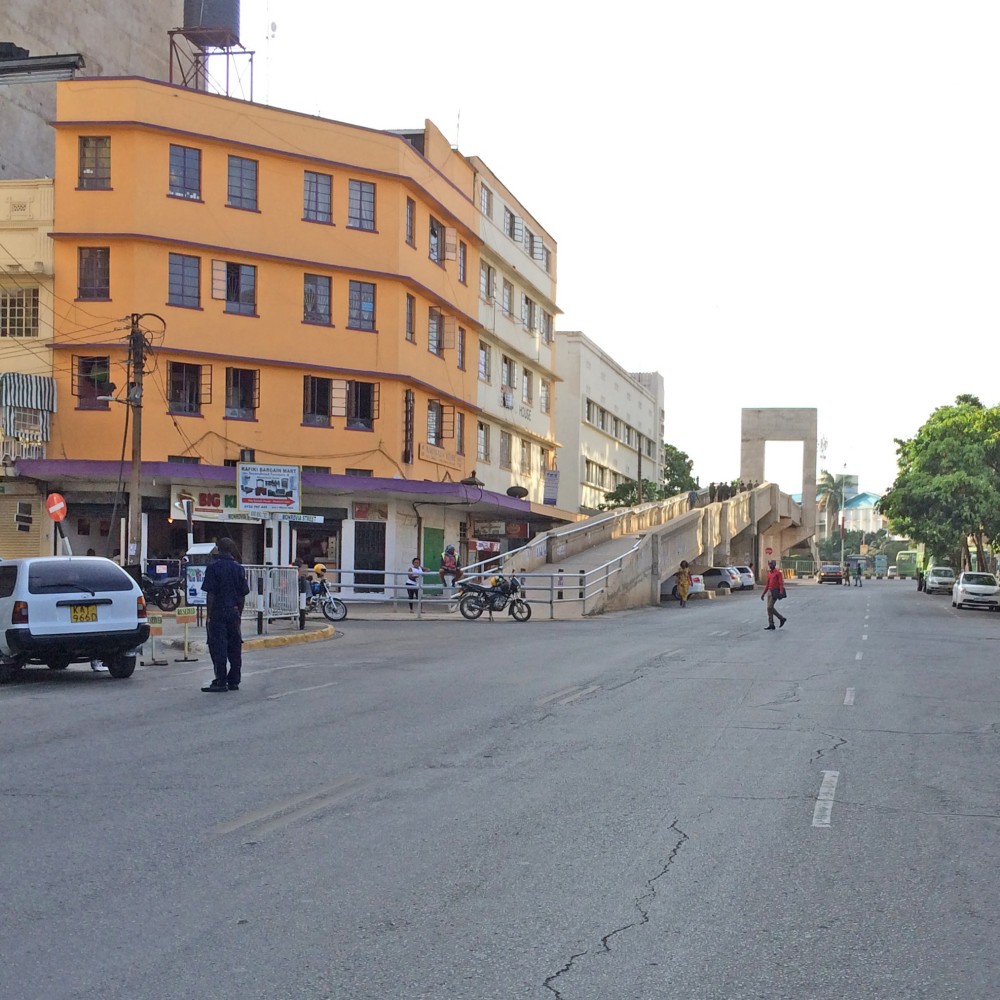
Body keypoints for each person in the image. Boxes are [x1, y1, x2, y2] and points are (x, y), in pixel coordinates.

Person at [200, 538, 251, 692]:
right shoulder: (238, 568)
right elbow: (243, 595)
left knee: (218, 647)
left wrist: (209, 616)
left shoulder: (213, 568)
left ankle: (220, 680)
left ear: (218, 549)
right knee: (234, 647)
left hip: (218, 612)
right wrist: (239, 614)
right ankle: (234, 680)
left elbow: (211, 594)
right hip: (234, 612)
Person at [760, 558, 787, 630]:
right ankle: (771, 624)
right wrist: (763, 594)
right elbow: (767, 584)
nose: (770, 565)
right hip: (769, 591)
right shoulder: (769, 573)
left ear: (774, 565)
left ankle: (781, 618)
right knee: (769, 609)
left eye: (771, 564)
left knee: (770, 607)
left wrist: (781, 592)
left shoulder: (778, 573)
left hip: (775, 592)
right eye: (769, 564)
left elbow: (781, 583)